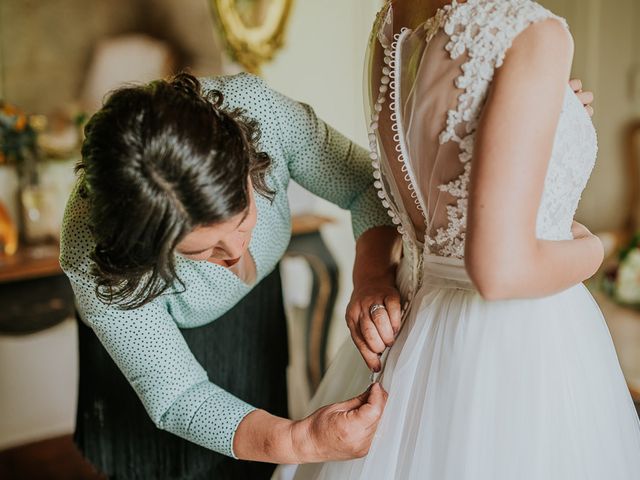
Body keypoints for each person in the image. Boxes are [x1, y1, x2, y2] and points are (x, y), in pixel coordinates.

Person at [293, 0, 640, 479]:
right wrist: (593, 249)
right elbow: (501, 272)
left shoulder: (392, 22)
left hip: (415, 331)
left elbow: (438, 170)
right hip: (514, 345)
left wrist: (551, 112)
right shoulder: (530, 32)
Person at [60, 72, 401, 479]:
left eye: (241, 220)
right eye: (200, 250)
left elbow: (365, 185)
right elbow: (180, 396)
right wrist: (300, 441)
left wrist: (373, 276)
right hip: (159, 349)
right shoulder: (94, 254)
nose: (237, 252)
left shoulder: (261, 113)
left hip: (252, 317)